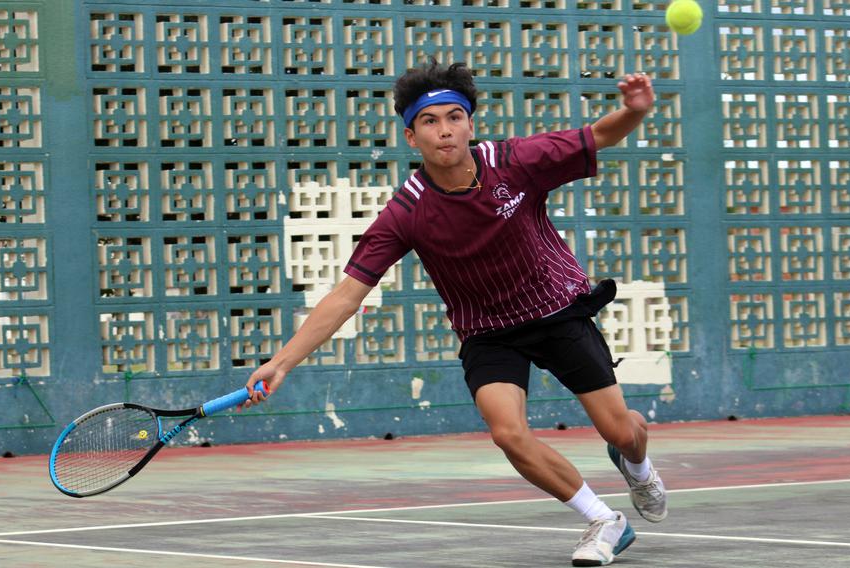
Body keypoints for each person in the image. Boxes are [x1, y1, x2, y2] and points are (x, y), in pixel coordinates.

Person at [243, 60, 667, 567]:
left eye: (453, 117)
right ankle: (603, 519)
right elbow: (346, 294)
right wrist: (283, 362)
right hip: (488, 332)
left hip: (555, 311)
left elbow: (598, 136)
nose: (444, 130)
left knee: (621, 431)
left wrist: (633, 111)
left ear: (470, 122)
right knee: (508, 432)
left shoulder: (516, 161)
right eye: (430, 121)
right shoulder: (407, 212)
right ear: (411, 135)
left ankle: (636, 466)